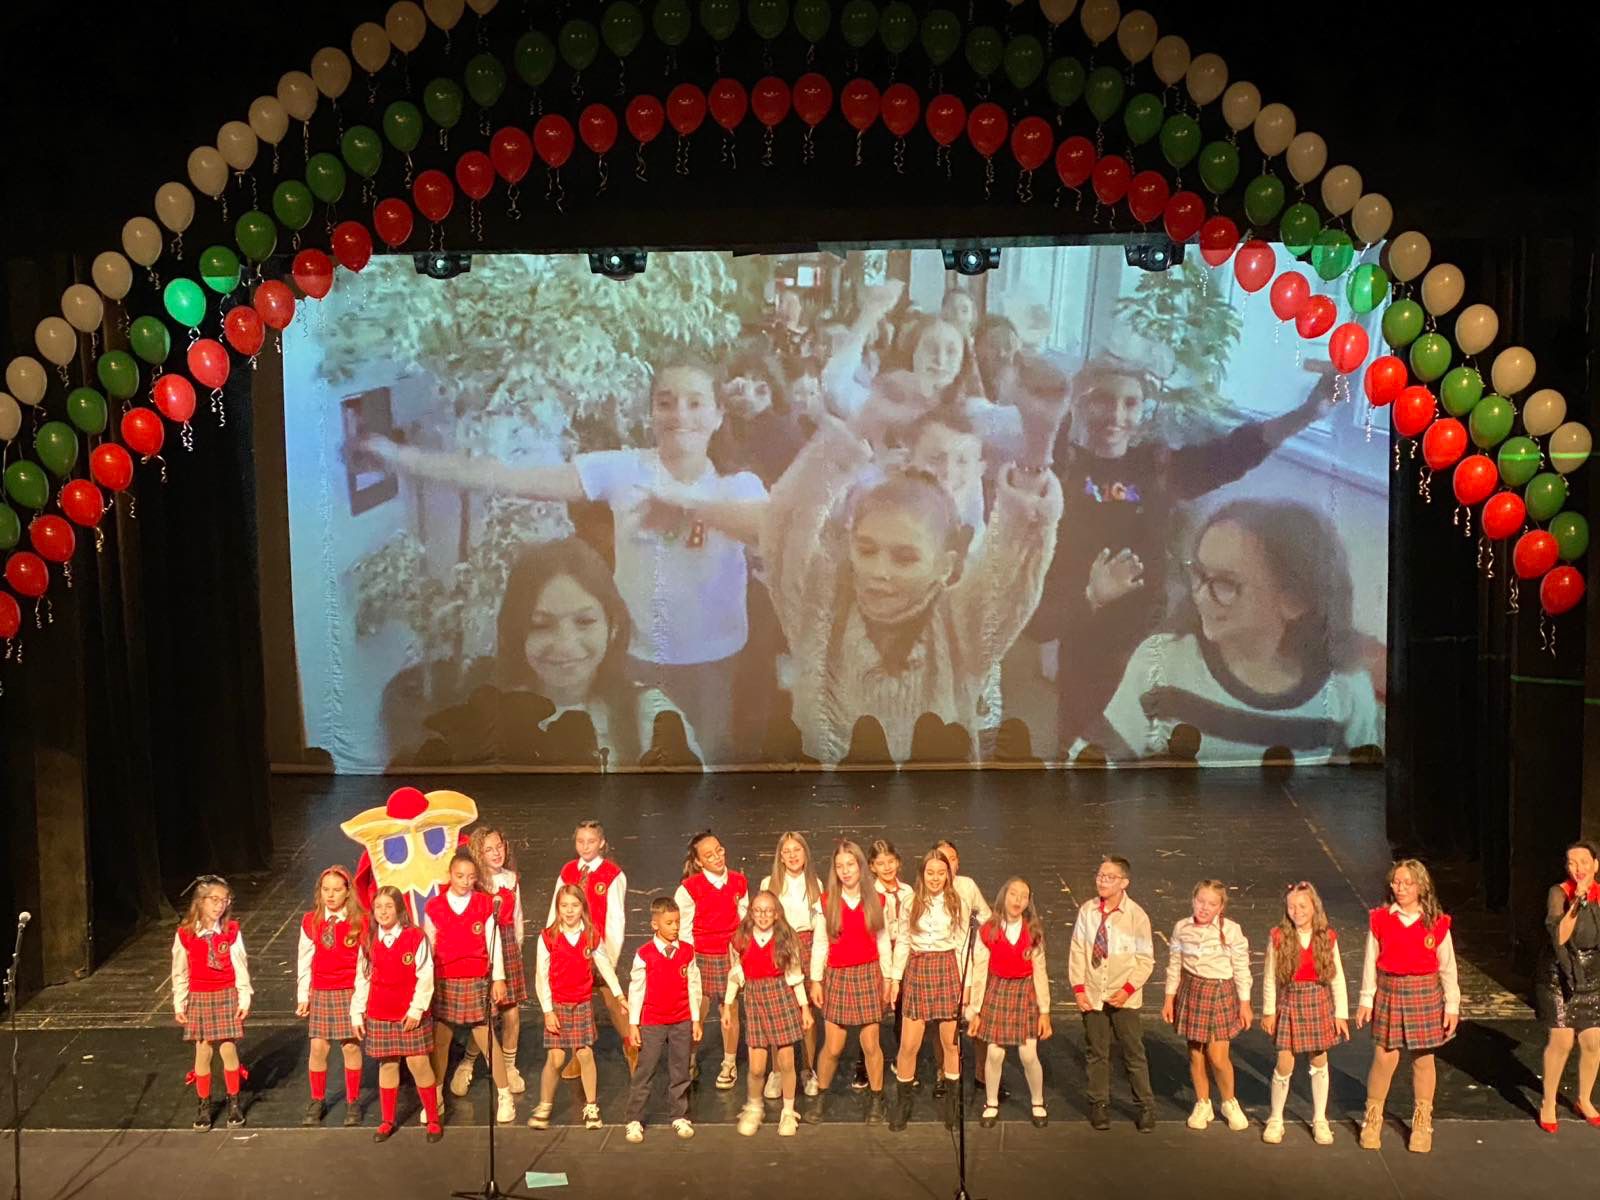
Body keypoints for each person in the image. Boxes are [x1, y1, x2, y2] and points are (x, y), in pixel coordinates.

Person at [365, 357, 766, 765]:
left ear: (719, 414)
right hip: (633, 657)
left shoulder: (739, 485)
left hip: (710, 664)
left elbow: (762, 528)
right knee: (625, 761)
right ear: (651, 412)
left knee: (697, 766)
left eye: (695, 403)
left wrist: (687, 507)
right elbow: (510, 478)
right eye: (666, 403)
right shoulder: (625, 469)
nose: (680, 415)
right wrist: (402, 458)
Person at [1023, 349, 1340, 757]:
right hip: (1088, 655)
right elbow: (1036, 619)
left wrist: (1308, 413)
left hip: (1150, 644)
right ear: (1078, 403)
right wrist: (1092, 595)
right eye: (1102, 399)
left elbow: (1234, 453)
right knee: (1086, 756)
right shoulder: (1057, 476)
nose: (1116, 414)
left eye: (1130, 402)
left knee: (1150, 755)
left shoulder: (1157, 468)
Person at [763, 359, 1067, 764]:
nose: (879, 571)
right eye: (866, 549)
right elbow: (785, 532)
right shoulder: (823, 606)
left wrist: (1037, 447)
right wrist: (864, 421)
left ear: (946, 566)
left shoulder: (960, 626)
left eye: (905, 558)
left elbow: (1009, 576)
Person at [1098, 499, 1380, 764]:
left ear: (1294, 601)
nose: (1200, 596)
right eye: (1198, 573)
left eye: (1225, 583)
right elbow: (1096, 769)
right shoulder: (1161, 661)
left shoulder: (1346, 692)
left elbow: (1361, 788)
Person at [1355, 858, 1460, 1153]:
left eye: (1406, 883)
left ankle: (1422, 1121)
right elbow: (1370, 962)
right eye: (1396, 882)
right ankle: (1373, 1117)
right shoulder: (1381, 919)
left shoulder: (1436, 922)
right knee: (1384, 1057)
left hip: (1423, 994)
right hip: (1390, 990)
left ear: (1420, 886)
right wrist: (1366, 999)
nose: (1400, 888)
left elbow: (1447, 967)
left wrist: (1452, 1004)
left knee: (1423, 1060)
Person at [807, 839, 895, 1125]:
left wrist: (888, 978)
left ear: (860, 867)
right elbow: (820, 944)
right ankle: (821, 1096)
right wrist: (816, 980)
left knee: (871, 1044)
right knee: (833, 1046)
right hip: (838, 975)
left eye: (850, 865)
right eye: (839, 866)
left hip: (868, 974)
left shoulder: (877, 900)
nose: (845, 871)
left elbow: (883, 942)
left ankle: (876, 1099)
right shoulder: (826, 902)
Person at [423, 848, 513, 1124]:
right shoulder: (435, 907)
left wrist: (498, 978)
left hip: (476, 979)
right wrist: (426, 984)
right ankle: (435, 1097)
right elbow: (429, 947)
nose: (465, 881)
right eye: (460, 876)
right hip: (445, 979)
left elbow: (493, 943)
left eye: (470, 877)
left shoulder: (484, 905)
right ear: (450, 875)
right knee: (441, 1041)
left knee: (487, 1039)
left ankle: (505, 1095)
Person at [1068, 856, 1155, 1132]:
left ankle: (1145, 1106)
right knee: (1097, 1052)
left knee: (1133, 1053)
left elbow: (1145, 960)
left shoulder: (1136, 916)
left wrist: (1127, 990)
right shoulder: (1088, 911)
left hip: (1124, 996)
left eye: (1109, 877)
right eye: (1100, 876)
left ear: (1124, 882)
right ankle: (1099, 1104)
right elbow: (1078, 952)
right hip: (1094, 993)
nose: (1102, 881)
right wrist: (1079, 989)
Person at [529, 883, 626, 1131]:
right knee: (556, 1057)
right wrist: (548, 1010)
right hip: (558, 1004)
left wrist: (619, 995)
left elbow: (605, 967)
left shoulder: (591, 935)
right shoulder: (548, 937)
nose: (569, 910)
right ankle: (544, 1105)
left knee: (584, 1054)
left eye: (574, 905)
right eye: (564, 906)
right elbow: (541, 976)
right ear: (557, 908)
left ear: (582, 907)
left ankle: (591, 1106)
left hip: (581, 1003)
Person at [888, 848, 971, 1132]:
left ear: (948, 874)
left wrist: (966, 984)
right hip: (919, 968)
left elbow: (962, 945)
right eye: (930, 872)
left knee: (950, 1043)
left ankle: (952, 1105)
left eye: (941, 873)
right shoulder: (910, 902)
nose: (935, 878)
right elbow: (903, 941)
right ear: (922, 874)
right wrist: (895, 979)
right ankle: (903, 1103)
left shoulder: (957, 902)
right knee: (909, 1044)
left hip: (946, 968)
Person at [352, 885, 442, 1143]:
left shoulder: (415, 937)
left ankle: (433, 1118)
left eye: (388, 906)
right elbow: (363, 977)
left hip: (408, 1013)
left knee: (418, 1063)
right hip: (380, 1012)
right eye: (378, 907)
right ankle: (387, 1120)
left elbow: (425, 975)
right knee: (388, 1064)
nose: (383, 912)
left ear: (399, 909)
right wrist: (357, 1012)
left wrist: (416, 1009)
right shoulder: (369, 939)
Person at [1261, 881, 1349, 1145]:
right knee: (1284, 1062)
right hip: (1290, 1002)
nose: (1296, 911)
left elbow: (1337, 978)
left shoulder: (1327, 937)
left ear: (1314, 906)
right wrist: (1269, 1011)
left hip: (1318, 1001)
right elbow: (1269, 977)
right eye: (1291, 906)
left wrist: (1341, 1013)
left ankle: (1320, 1118)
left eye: (1302, 906)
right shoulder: (1278, 936)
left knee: (1319, 1060)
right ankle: (1276, 1118)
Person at [1162, 879, 1253, 1132]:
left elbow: (1241, 968)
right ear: (1193, 900)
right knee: (1196, 1053)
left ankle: (1229, 1102)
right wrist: (1169, 998)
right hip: (1192, 990)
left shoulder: (1231, 930)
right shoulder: (1182, 928)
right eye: (1200, 901)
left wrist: (1245, 1003)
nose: (1204, 907)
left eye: (1211, 904)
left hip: (1220, 991)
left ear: (1220, 907)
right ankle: (1203, 1103)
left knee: (1218, 1056)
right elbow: (1174, 965)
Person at [547, 819, 634, 1074]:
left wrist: (610, 957)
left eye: (591, 841)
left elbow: (616, 919)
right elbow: (556, 907)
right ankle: (578, 1054)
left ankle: (631, 1045)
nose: (585, 846)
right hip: (570, 948)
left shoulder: (612, 874)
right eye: (580, 841)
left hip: (598, 949)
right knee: (575, 1001)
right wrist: (552, 942)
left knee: (612, 999)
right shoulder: (568, 871)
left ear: (602, 843)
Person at [724, 890, 814, 1137]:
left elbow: (795, 977)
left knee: (786, 1062)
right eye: (758, 910)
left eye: (768, 910)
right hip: (755, 999)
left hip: (780, 997)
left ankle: (788, 1112)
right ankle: (754, 1107)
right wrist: (729, 1005)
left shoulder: (785, 940)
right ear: (751, 913)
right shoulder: (741, 939)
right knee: (756, 1068)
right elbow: (735, 974)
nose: (763, 915)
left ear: (776, 914)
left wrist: (805, 1008)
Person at [969, 877, 1052, 1128]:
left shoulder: (1033, 932)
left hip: (1025, 991)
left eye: (1023, 896)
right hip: (998, 990)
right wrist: (975, 1009)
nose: (1018, 900)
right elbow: (980, 971)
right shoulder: (988, 930)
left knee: (1028, 1054)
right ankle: (991, 1102)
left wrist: (1044, 1011)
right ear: (1004, 896)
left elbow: (1040, 972)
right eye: (1013, 894)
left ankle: (1037, 1102)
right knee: (994, 1053)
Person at [172, 875, 252, 1131]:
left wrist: (244, 996)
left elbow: (240, 965)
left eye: (224, 900)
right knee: (203, 1050)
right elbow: (180, 971)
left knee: (228, 1048)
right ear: (201, 901)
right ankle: (204, 1106)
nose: (219, 905)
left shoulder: (231, 931)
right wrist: (180, 1002)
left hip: (226, 993)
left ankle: (234, 1103)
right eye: (214, 900)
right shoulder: (186, 934)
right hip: (200, 995)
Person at [451, 828, 526, 1097]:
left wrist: (516, 947)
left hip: (507, 947)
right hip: (482, 950)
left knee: (512, 1014)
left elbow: (517, 917)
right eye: (489, 849)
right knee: (485, 1017)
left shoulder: (511, 879)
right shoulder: (475, 882)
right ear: (478, 854)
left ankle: (509, 1066)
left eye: (499, 847)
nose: (496, 853)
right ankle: (468, 1063)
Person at [674, 830, 750, 1089]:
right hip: (701, 956)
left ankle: (729, 1062)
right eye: (709, 855)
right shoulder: (689, 888)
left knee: (729, 1008)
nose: (717, 857)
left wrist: (741, 955)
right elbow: (684, 930)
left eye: (719, 850)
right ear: (698, 862)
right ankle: (690, 1059)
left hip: (730, 954)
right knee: (698, 1008)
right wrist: (689, 962)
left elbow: (744, 921)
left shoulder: (738, 881)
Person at [624, 896, 703, 1142]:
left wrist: (696, 1019)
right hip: (653, 1022)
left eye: (677, 922)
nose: (675, 927)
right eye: (669, 923)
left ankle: (679, 1115)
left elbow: (693, 986)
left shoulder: (687, 951)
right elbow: (637, 989)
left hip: (681, 1020)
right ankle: (634, 1119)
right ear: (655, 924)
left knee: (680, 1069)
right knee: (645, 1069)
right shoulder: (644, 954)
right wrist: (634, 1024)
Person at [1535, 840, 1600, 1131]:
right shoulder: (1559, 893)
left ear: (1595, 865)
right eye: (1572, 863)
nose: (1578, 868)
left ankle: (1584, 1099)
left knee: (1593, 1041)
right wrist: (1577, 901)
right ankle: (1548, 1101)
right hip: (1559, 976)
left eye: (1583, 862)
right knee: (1561, 1041)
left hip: (1592, 976)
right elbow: (1559, 936)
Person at [295, 865, 367, 1127]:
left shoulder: (359, 922)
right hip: (321, 991)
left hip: (348, 991)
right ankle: (317, 1099)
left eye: (337, 890)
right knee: (318, 1047)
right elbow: (304, 960)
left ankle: (353, 1100)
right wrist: (303, 995)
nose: (331, 895)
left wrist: (359, 1004)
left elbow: (363, 966)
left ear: (347, 892)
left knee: (350, 1046)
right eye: (326, 889)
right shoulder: (311, 921)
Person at [758, 832, 824, 1098]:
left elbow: (820, 926)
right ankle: (777, 1071)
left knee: (807, 1012)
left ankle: (807, 1068)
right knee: (778, 1012)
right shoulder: (769, 884)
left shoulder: (815, 884)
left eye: (797, 850)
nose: (793, 855)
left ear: (805, 853)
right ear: (781, 857)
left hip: (807, 945)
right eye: (787, 851)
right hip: (779, 946)